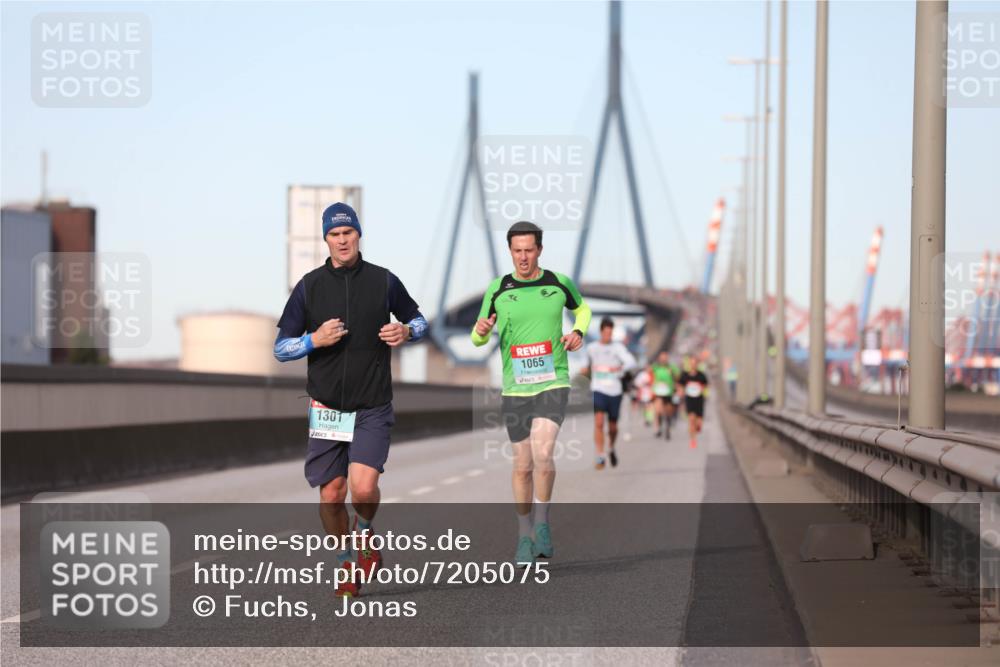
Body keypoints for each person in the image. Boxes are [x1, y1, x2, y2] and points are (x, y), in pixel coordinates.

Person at [274, 202, 427, 597]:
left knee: (361, 490)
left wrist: (407, 332)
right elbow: (280, 348)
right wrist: (313, 340)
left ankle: (364, 531)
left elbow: (420, 319)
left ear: (358, 235)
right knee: (330, 493)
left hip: (372, 404)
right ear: (325, 239)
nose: (342, 241)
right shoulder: (309, 286)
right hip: (326, 408)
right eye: (334, 235)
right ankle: (345, 561)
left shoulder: (383, 280)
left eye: (348, 233)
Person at [471, 221, 591, 565]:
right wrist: (481, 330)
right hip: (516, 387)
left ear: (539, 250)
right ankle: (524, 534)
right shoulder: (498, 288)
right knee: (522, 464)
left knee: (543, 451)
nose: (523, 257)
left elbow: (582, 308)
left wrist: (578, 330)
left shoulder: (558, 283)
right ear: (510, 252)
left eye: (529, 250)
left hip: (554, 380)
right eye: (517, 251)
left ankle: (542, 524)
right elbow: (478, 337)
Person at [584, 317, 638, 470]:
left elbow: (631, 362)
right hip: (598, 389)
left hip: (614, 391)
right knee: (599, 422)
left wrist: (620, 369)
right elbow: (587, 365)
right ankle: (600, 455)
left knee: (613, 427)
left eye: (610, 333)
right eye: (606, 333)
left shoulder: (618, 348)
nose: (608, 336)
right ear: (601, 332)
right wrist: (585, 371)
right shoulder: (592, 348)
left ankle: (611, 448)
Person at [677, 356, 709, 449]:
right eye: (692, 363)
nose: (693, 365)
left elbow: (706, 385)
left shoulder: (701, 375)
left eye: (695, 363)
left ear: (697, 364)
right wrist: (681, 391)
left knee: (698, 423)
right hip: (689, 399)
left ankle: (697, 427)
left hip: (699, 400)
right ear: (690, 364)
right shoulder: (685, 375)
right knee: (691, 420)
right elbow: (680, 384)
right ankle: (693, 440)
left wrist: (703, 389)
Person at [650, 351, 678, 439]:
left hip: (669, 392)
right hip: (658, 392)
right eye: (662, 357)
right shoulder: (655, 367)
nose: (663, 359)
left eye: (665, 357)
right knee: (658, 410)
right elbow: (649, 375)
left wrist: (672, 375)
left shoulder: (671, 367)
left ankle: (668, 427)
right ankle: (658, 428)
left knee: (668, 411)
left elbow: (678, 377)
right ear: (659, 358)